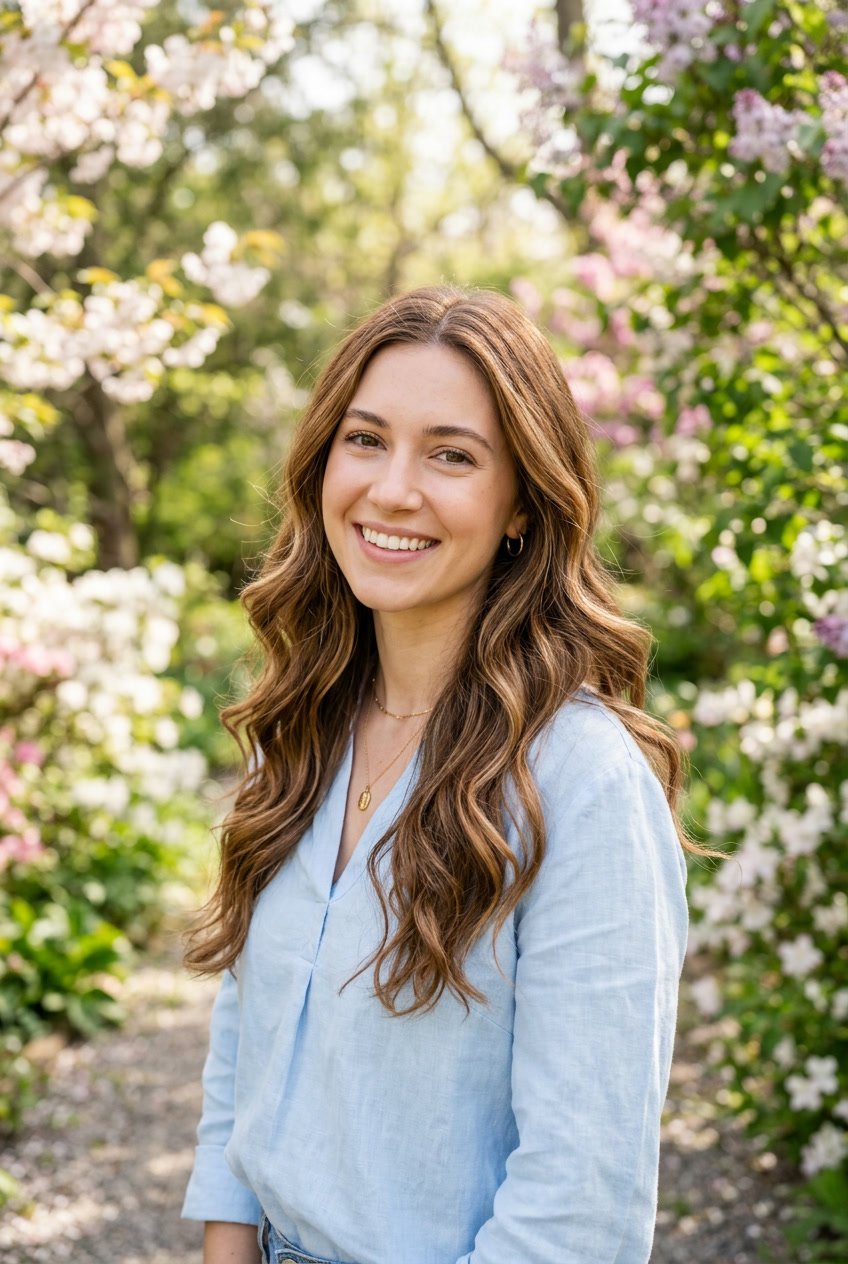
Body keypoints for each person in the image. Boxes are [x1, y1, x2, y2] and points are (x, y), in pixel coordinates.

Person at [181, 284, 701, 1264]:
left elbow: (577, 1208)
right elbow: (247, 1038)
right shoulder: (307, 727)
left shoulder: (581, 782)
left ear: (519, 506)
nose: (391, 488)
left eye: (451, 455)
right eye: (364, 439)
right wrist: (226, 1244)